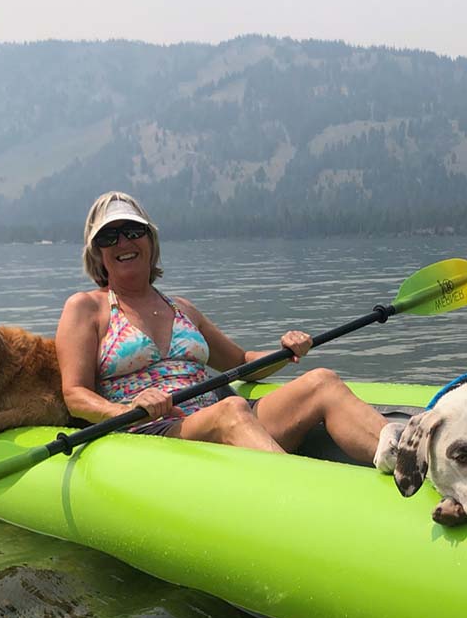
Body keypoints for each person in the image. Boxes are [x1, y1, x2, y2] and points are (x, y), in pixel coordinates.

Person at [55, 191, 390, 463]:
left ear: (150, 240)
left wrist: (286, 351)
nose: (123, 242)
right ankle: (306, 497)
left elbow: (243, 362)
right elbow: (75, 395)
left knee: (322, 381)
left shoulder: (181, 307)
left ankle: (409, 458)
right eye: (109, 237)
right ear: (97, 254)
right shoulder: (85, 308)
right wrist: (127, 409)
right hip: (157, 434)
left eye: (132, 231)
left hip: (222, 419)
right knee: (230, 409)